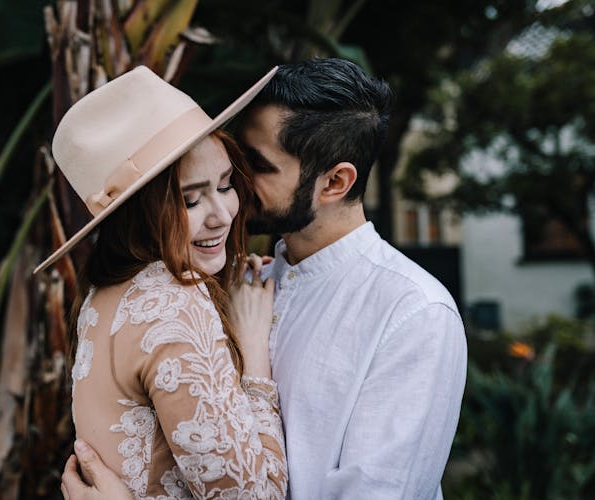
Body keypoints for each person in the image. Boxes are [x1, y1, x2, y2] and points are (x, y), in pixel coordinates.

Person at [63, 58, 467, 499]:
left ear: (334, 182)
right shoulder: (218, 285)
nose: (237, 180)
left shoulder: (411, 312)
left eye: (256, 164)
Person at [36, 65, 288, 500]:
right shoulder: (175, 304)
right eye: (191, 199)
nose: (223, 214)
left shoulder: (102, 296)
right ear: (138, 214)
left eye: (226, 185)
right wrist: (253, 356)